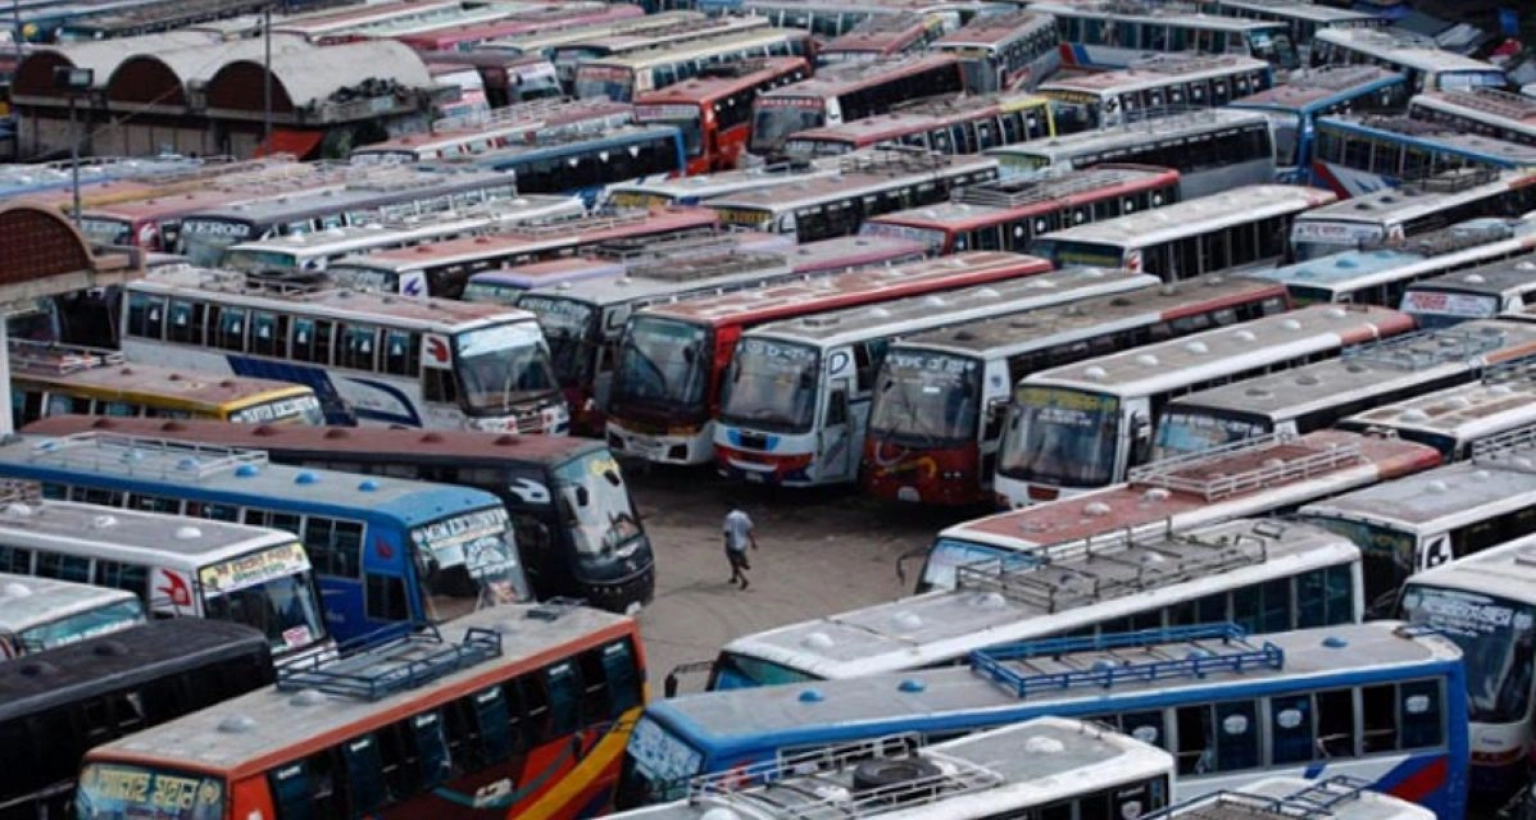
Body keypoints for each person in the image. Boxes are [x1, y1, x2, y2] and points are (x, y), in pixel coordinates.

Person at [722, 502, 758, 590]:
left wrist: (726, 537)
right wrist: (753, 542)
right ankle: (737, 573)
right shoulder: (744, 516)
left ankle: (744, 579)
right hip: (743, 542)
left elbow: (727, 531)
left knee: (734, 562)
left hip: (732, 542)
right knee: (738, 557)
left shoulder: (729, 517)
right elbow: (749, 530)